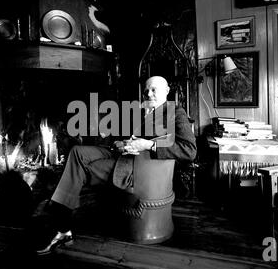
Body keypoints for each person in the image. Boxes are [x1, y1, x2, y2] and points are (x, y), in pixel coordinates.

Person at [32, 76, 197, 255]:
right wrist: (122, 142)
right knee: (77, 152)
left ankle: (60, 227)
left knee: (80, 169)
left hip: (137, 168)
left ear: (167, 91)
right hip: (123, 153)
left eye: (154, 89)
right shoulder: (145, 110)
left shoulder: (176, 113)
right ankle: (61, 223)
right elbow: (136, 138)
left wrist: (149, 145)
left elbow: (189, 150)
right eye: (146, 90)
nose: (148, 93)